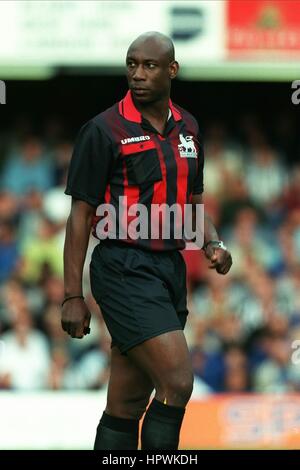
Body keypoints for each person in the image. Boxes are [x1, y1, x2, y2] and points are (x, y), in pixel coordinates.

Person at [62, 31, 232, 450]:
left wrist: (212, 242)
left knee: (127, 401)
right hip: (123, 268)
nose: (137, 74)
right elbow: (80, 215)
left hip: (168, 271)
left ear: (171, 70)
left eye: (149, 66)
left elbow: (192, 200)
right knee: (177, 382)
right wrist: (71, 296)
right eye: (132, 64)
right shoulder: (102, 131)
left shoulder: (189, 127)